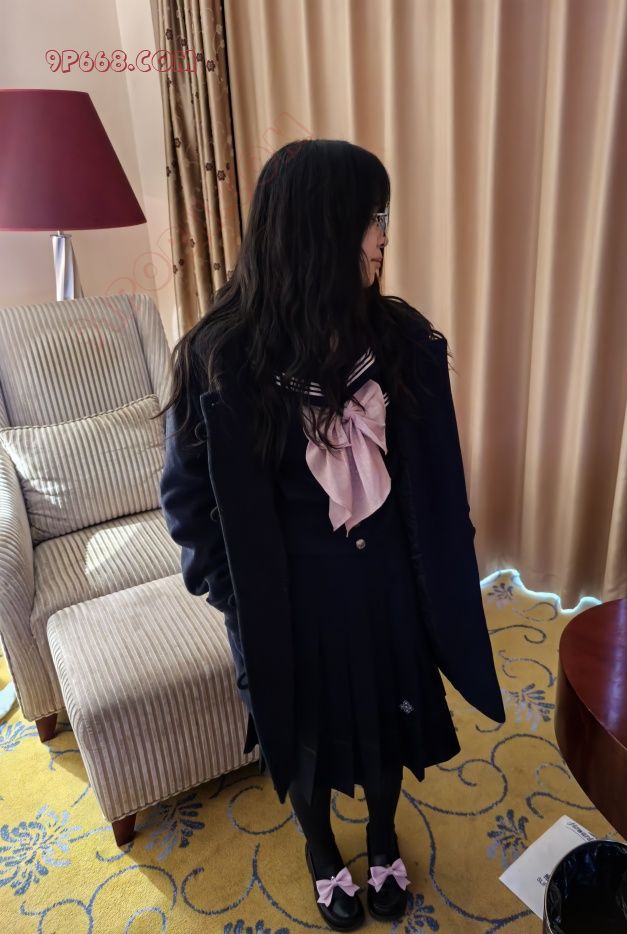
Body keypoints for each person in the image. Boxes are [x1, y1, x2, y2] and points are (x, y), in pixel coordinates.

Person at [158, 139, 505, 930]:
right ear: (321, 230)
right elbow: (187, 504)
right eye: (372, 218)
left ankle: (382, 837)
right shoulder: (219, 360)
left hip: (387, 591)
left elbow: (435, 477)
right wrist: (238, 598)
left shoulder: (401, 342)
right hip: (289, 608)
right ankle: (321, 851)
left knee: (389, 726)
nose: (384, 236)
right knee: (305, 744)